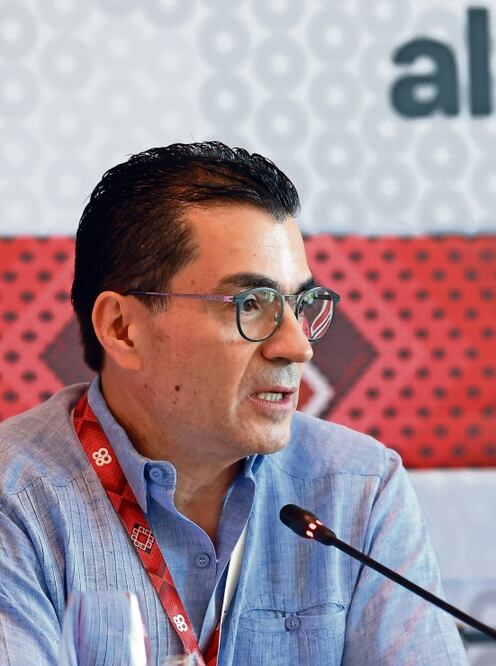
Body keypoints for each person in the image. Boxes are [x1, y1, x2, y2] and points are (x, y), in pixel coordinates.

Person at [0, 142, 468, 665]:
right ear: (122, 328)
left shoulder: (359, 488)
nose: (298, 347)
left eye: (300, 304)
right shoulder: (15, 502)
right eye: (251, 304)